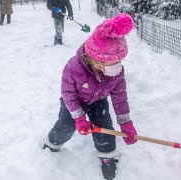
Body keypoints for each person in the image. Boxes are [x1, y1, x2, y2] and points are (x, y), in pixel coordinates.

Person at [43, 13, 137, 180]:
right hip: (74, 102)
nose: (117, 66)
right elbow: (68, 94)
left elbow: (120, 97)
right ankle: (52, 143)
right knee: (66, 125)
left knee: (105, 127)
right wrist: (79, 117)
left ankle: (107, 155)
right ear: (97, 59)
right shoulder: (74, 68)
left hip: (98, 101)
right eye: (112, 63)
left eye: (119, 61)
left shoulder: (116, 72)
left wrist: (126, 122)